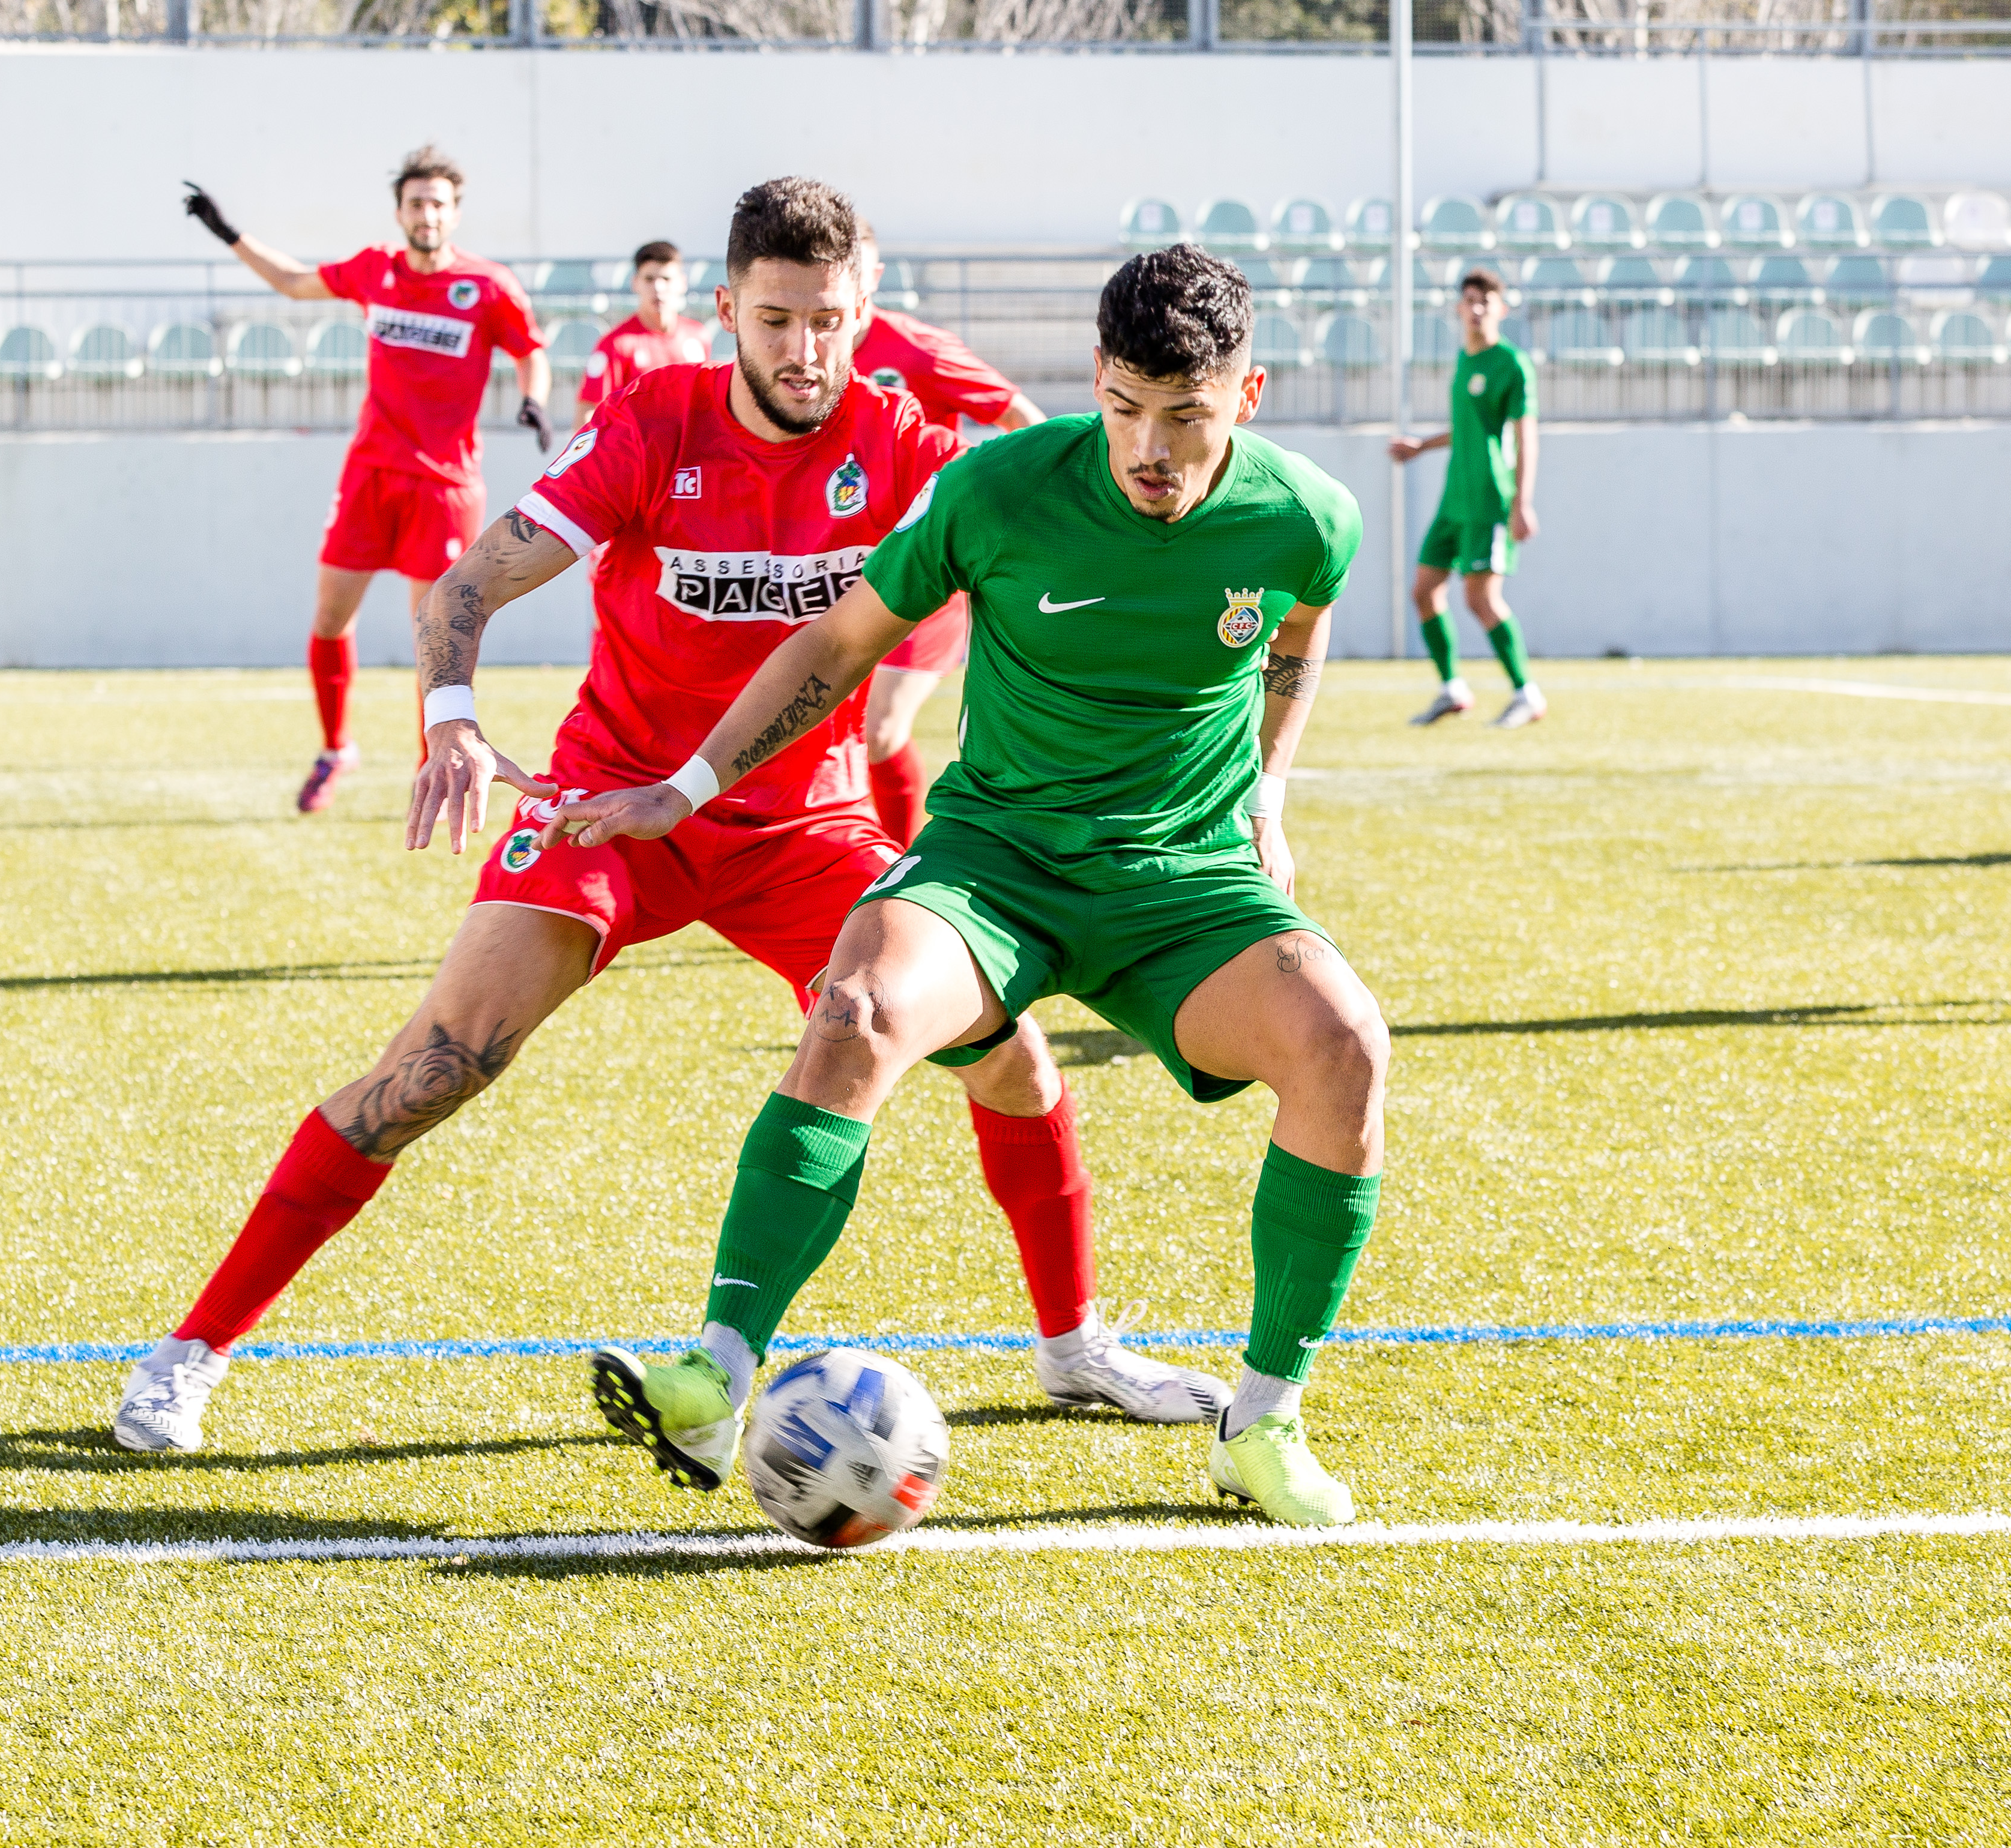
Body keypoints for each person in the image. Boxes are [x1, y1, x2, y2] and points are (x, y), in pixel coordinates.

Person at [111, 179, 1229, 1458]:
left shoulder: (898, 438)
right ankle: (188, 1353)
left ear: (863, 313)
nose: (802, 352)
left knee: (1009, 1058)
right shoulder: (654, 421)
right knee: (439, 1063)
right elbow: (461, 588)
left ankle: (1073, 1347)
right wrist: (452, 718)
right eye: (773, 321)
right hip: (610, 807)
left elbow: (1064, 488)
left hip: (804, 824)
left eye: (827, 321)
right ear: (725, 313)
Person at [563, 244, 1388, 1529]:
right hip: (994, 862)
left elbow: (1297, 627)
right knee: (855, 1014)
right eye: (1120, 408)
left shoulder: (1307, 515)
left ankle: (1260, 1423)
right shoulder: (997, 489)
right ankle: (710, 1374)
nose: (1146, 449)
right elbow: (839, 641)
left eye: (1183, 415)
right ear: (1094, 388)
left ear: (1247, 395)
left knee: (1344, 1048)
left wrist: (1267, 789)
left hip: (1182, 879)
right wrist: (685, 785)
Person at [182, 146, 555, 811]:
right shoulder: (373, 271)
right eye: (416, 203)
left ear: (454, 214)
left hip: (445, 486)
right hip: (369, 475)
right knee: (329, 617)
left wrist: (533, 397)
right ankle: (335, 749)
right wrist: (227, 233)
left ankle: (430, 763)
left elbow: (530, 352)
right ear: (400, 211)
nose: (427, 215)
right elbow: (296, 283)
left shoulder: (488, 286)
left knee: (434, 630)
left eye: (438, 204)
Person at [847, 222, 1049, 842]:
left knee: (880, 729)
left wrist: (1018, 511)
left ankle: (899, 871)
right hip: (840, 570)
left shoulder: (918, 349)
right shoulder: (805, 357)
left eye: (856, 268)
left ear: (874, 277)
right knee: (840, 740)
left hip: (924, 569)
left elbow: (1020, 416)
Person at [1390, 268, 1546, 729]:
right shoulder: (1464, 361)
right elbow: (1468, 428)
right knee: (1423, 591)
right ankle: (1451, 689)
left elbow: (1526, 437)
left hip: (1487, 499)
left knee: (1480, 598)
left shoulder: (1511, 364)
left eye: (1485, 301)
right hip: (1453, 497)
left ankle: (1526, 693)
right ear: (1458, 309)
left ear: (1501, 309)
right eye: (1469, 300)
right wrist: (1422, 446)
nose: (1476, 309)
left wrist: (1521, 502)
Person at [576, 240, 713, 420]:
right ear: (635, 283)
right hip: (637, 447)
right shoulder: (616, 344)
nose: (658, 288)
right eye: (649, 279)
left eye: (666, 279)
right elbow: (589, 412)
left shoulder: (698, 335)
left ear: (682, 283)